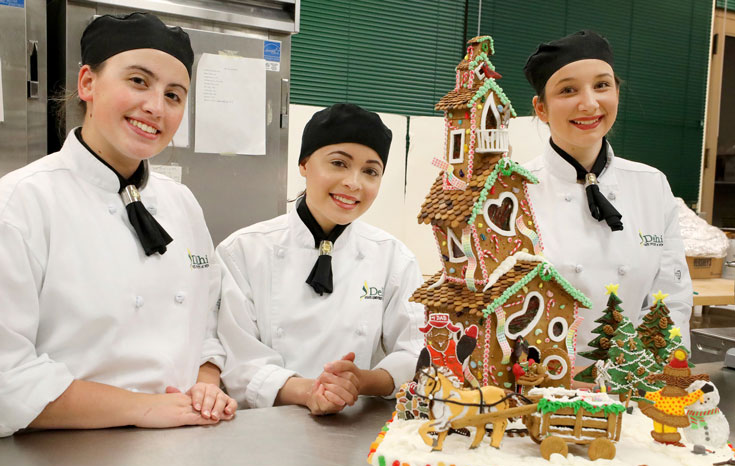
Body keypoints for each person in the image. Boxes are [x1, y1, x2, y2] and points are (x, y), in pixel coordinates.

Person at [0, 12, 236, 437]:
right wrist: (143, 408)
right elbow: (6, 378)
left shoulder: (181, 203)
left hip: (181, 450)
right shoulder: (21, 203)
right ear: (87, 83)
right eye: (139, 81)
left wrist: (207, 385)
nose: (155, 107)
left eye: (174, 95)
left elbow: (207, 330)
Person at [217, 104, 425, 415]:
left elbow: (415, 351)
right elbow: (240, 361)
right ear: (304, 163)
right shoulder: (244, 251)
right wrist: (309, 391)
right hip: (266, 430)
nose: (354, 183)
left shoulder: (393, 258)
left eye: (370, 171)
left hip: (354, 429)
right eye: (339, 163)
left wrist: (362, 381)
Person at [521, 30, 693, 357]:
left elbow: (672, 300)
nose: (589, 103)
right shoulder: (514, 190)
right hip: (541, 387)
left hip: (632, 387)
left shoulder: (652, 185)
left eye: (602, 85)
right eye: (568, 89)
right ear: (540, 109)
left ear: (617, 92)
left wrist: (639, 375)